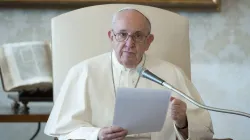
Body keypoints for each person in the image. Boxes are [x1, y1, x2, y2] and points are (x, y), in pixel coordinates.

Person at [44, 7, 214, 140]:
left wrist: (183, 121)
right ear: (111, 37)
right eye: (122, 35)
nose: (129, 43)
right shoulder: (83, 72)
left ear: (149, 41)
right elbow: (62, 130)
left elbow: (205, 132)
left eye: (138, 36)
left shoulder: (172, 74)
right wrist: (97, 135)